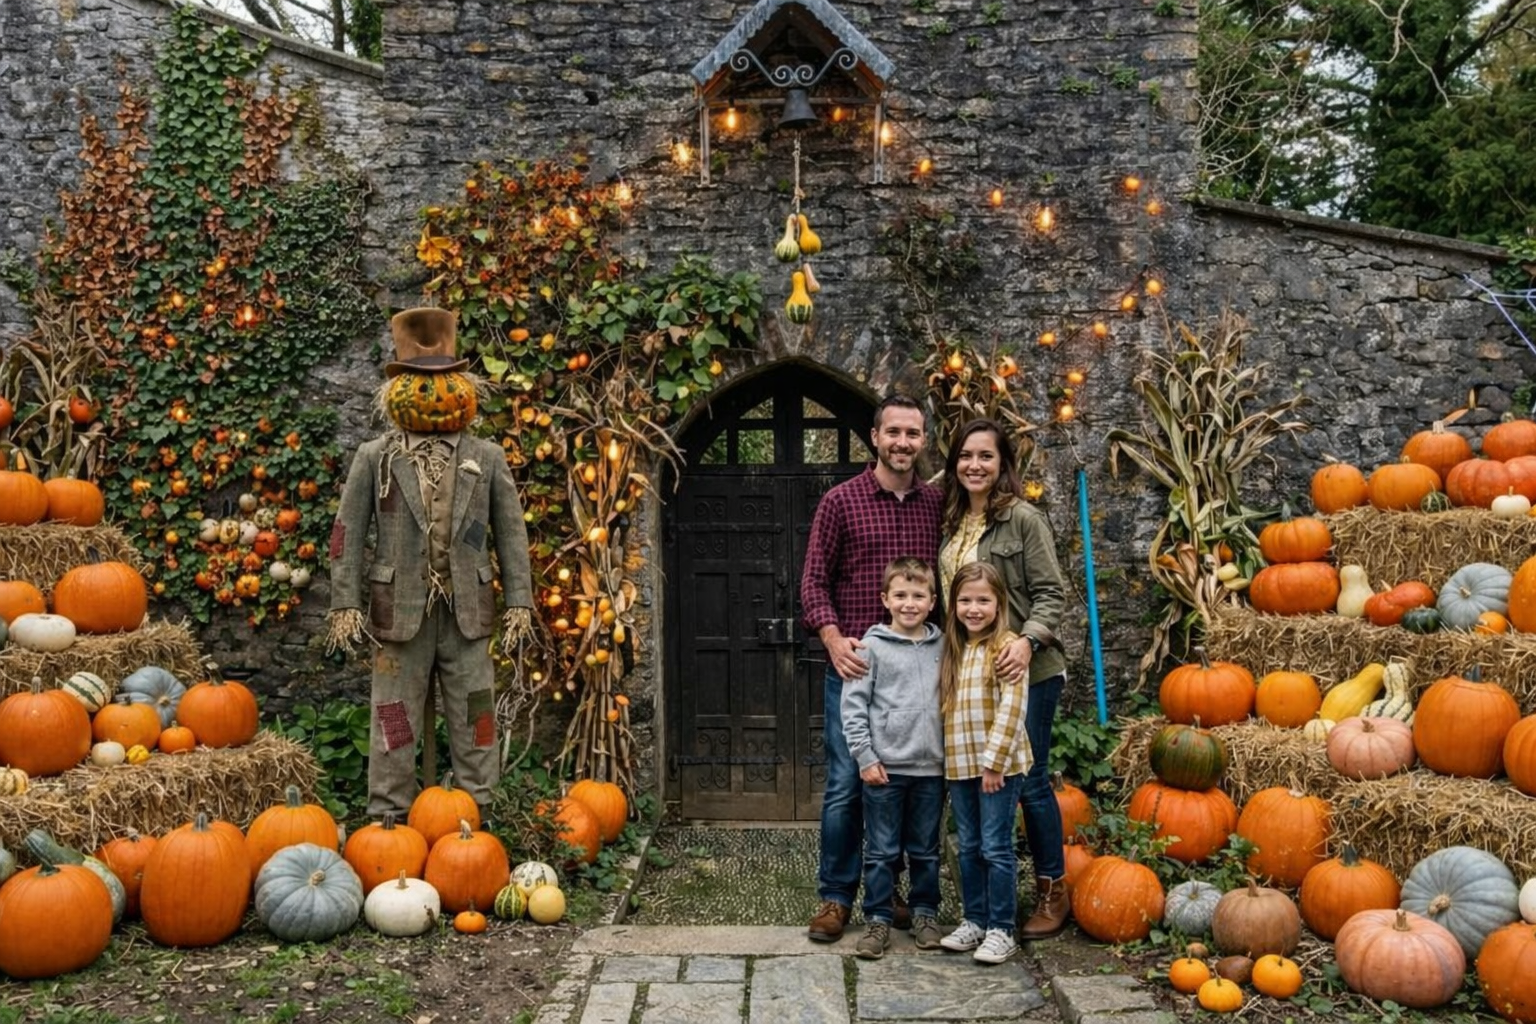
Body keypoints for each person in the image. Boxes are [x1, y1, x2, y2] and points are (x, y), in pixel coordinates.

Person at [327, 307, 535, 824]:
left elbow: (511, 534)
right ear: (397, 389)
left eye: (442, 381)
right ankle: (388, 819)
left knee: (476, 714)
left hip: (469, 611)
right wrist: (345, 603)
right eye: (419, 382)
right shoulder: (375, 457)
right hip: (397, 612)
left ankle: (478, 816)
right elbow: (345, 534)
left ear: (461, 385)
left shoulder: (485, 457)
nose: (432, 392)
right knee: (392, 716)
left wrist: (520, 603)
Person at [800, 393, 944, 943]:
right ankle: (836, 898)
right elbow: (813, 582)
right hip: (857, 670)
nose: (902, 443)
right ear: (875, 437)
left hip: (916, 675)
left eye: (912, 434)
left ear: (923, 441)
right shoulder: (841, 501)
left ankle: (892, 897)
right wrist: (833, 639)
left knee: (908, 785)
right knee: (846, 785)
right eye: (893, 433)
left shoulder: (936, 505)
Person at [939, 417, 1070, 940]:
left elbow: (1051, 594)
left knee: (1030, 780)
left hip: (1025, 669)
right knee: (978, 779)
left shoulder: (1022, 519)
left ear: (1003, 465)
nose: (975, 465)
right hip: (971, 670)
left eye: (986, 456)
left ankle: (1052, 888)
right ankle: (984, 912)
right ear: (954, 464)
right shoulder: (950, 521)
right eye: (966, 456)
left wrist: (1026, 639)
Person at [841, 557, 946, 958]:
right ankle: (878, 920)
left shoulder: (943, 645)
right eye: (900, 595)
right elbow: (853, 707)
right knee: (882, 850)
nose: (909, 603)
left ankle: (925, 913)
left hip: (932, 769)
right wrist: (865, 756)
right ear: (885, 599)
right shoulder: (871, 648)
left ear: (932, 601)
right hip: (885, 768)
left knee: (925, 849)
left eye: (918, 595)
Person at [937, 560, 1029, 964]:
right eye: (965, 600)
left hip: (999, 768)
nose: (973, 609)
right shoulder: (953, 649)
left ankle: (1001, 928)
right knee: (969, 845)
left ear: (998, 603)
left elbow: (1013, 708)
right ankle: (974, 919)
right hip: (960, 765)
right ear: (953, 603)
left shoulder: (1006, 646)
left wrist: (994, 763)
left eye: (983, 600)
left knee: (996, 847)